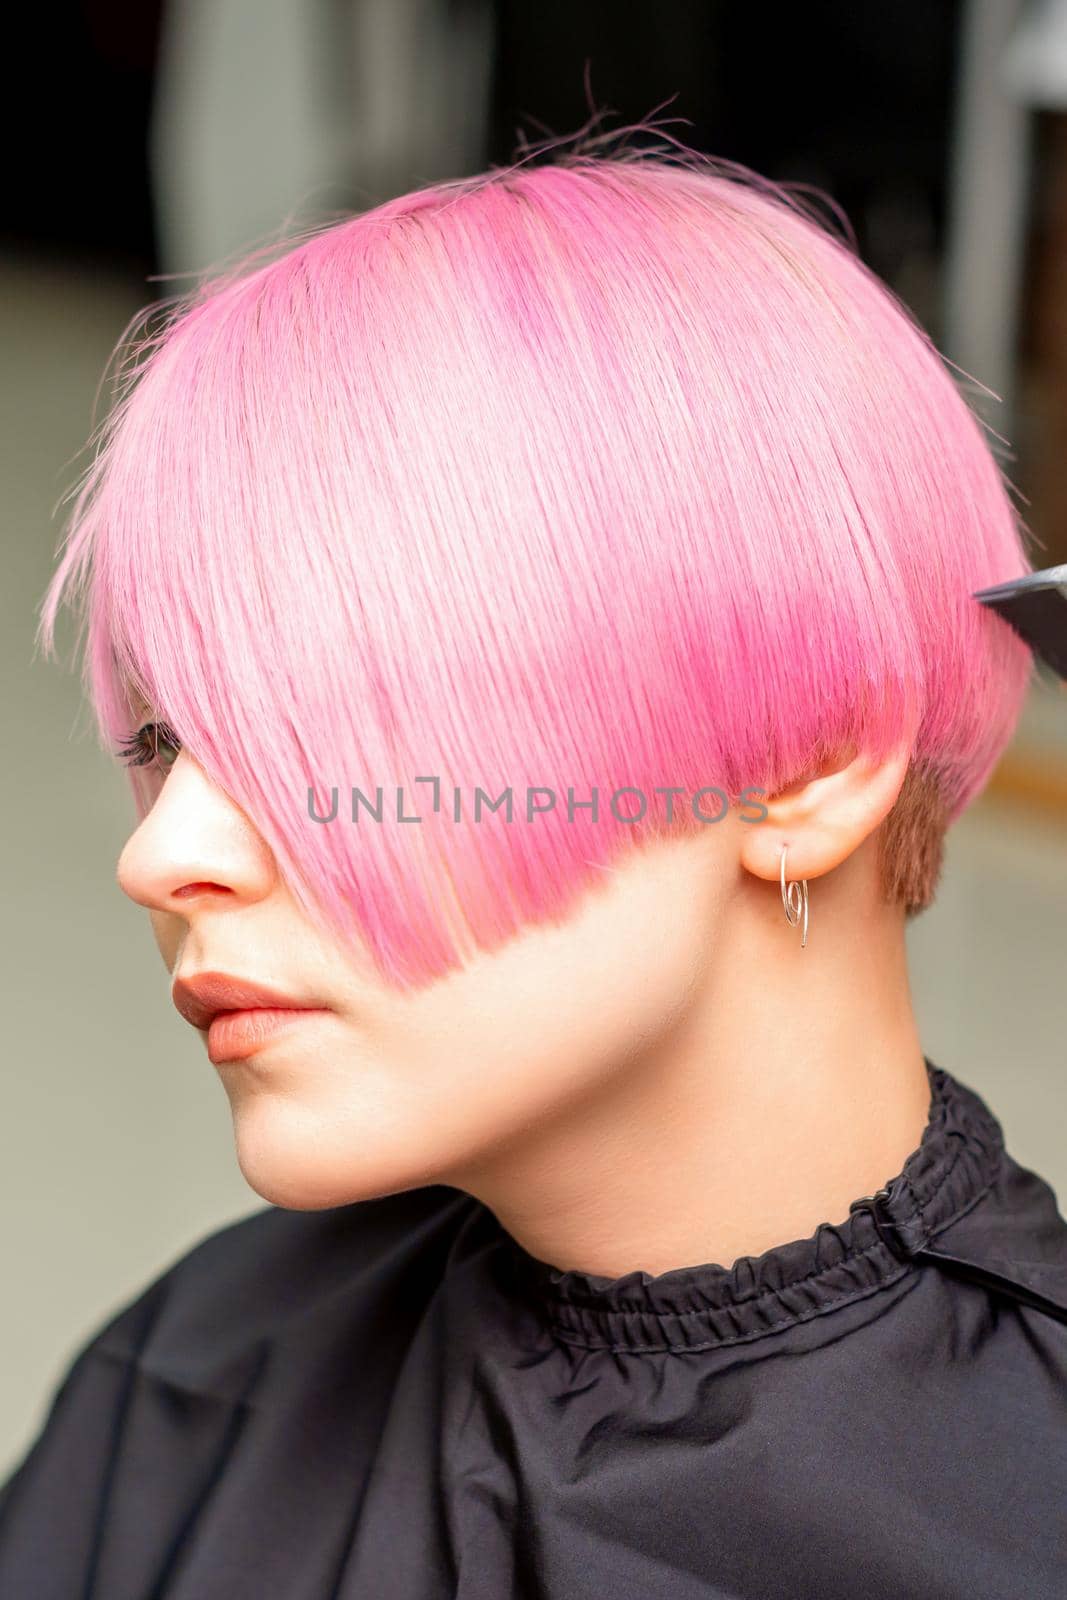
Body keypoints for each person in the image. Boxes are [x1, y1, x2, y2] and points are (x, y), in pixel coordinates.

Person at [2, 129, 1065, 1600]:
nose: (163, 854)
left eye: (333, 713)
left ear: (808, 768)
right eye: (176, 742)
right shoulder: (194, 1385)